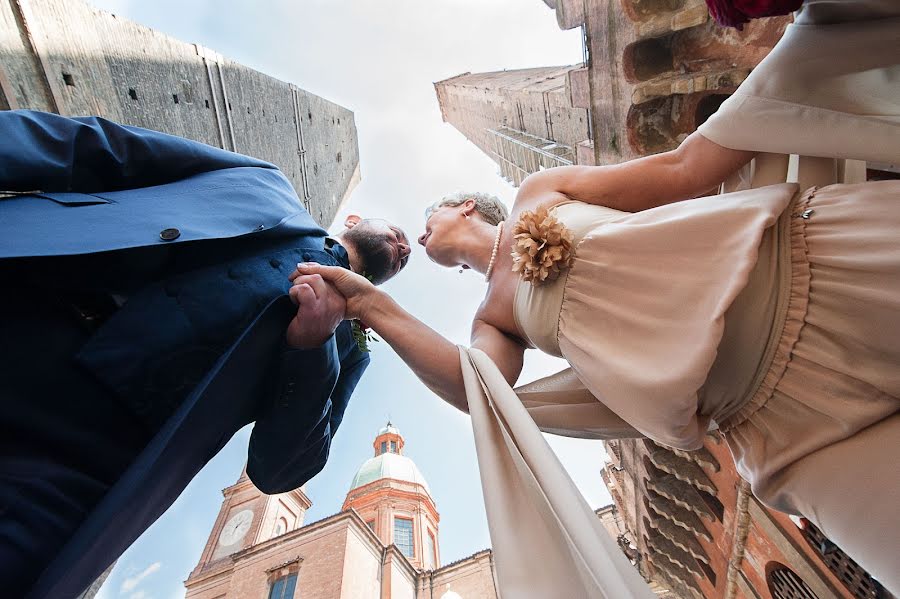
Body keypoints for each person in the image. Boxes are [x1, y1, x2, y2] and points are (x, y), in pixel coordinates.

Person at [293, 2, 900, 596]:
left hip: (821, 272)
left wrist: (808, 55)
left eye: (429, 219)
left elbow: (687, 169)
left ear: (466, 207)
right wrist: (370, 305)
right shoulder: (494, 320)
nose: (419, 234)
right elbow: (475, 387)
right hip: (779, 422)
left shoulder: (540, 189)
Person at [0, 110, 411, 598]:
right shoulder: (263, 186)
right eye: (397, 230)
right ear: (353, 220)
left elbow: (281, 469)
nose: (406, 244)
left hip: (84, 460)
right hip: (25, 306)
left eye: (408, 254)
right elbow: (102, 147)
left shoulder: (346, 352)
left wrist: (313, 346)